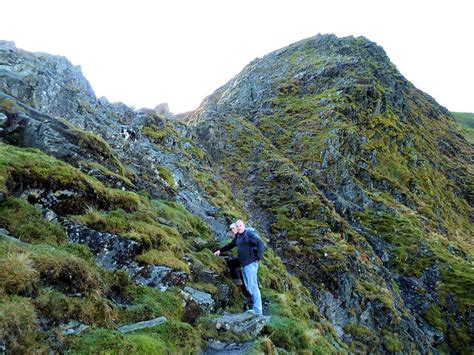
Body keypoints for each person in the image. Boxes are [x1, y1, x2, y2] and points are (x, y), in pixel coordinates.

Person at [214, 219, 264, 315]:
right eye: (237, 226)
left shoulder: (248, 234)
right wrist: (220, 250)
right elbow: (231, 245)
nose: (238, 227)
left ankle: (258, 311)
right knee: (249, 286)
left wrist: (258, 257)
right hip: (243, 263)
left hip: (250, 263)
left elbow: (260, 243)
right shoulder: (238, 236)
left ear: (243, 226)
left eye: (240, 225)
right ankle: (253, 308)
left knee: (253, 286)